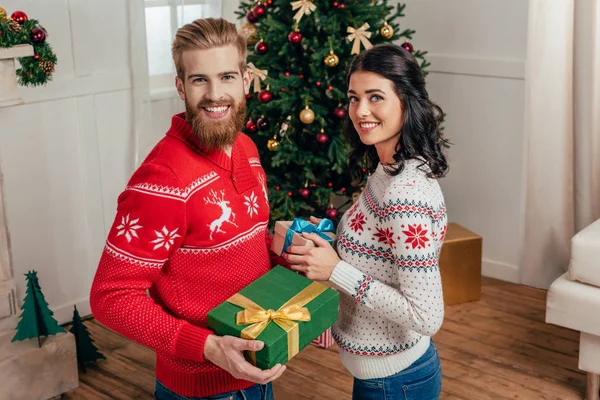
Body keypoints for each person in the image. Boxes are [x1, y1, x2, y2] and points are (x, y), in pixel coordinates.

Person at [90, 18, 286, 400]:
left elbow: (241, 247)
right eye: (200, 80)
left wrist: (288, 252)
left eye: (227, 76)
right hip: (202, 389)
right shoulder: (161, 180)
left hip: (257, 371)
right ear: (180, 86)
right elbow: (110, 298)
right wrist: (210, 348)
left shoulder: (245, 147)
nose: (216, 95)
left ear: (246, 81)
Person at [284, 43, 449, 400]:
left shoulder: (405, 195)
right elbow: (378, 252)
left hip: (396, 383)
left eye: (376, 97)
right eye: (354, 97)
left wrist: (336, 270)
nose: (360, 111)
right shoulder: (390, 166)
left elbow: (427, 316)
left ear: (406, 101)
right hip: (385, 378)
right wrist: (331, 246)